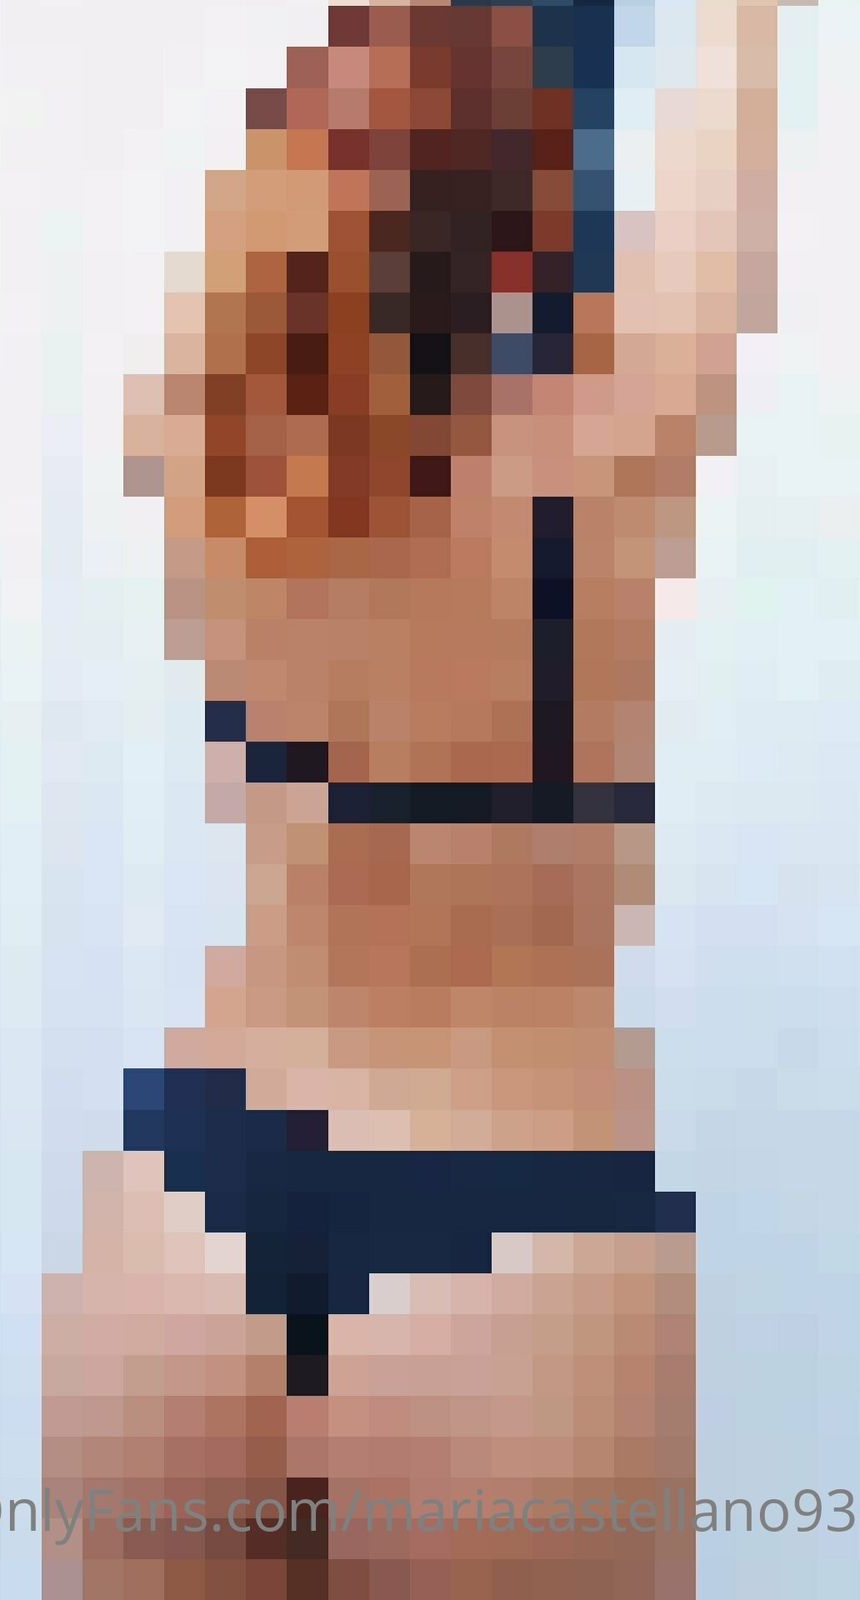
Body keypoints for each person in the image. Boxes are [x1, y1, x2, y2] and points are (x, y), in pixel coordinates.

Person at [45, 1, 811, 1594]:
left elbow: (354, 197)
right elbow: (722, 211)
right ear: (535, 241)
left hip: (187, 1215)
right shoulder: (591, 464)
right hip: (505, 1238)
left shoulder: (205, 455)